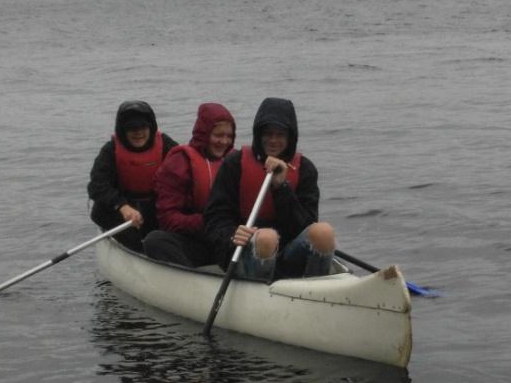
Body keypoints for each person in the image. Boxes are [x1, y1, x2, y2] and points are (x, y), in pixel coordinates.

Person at [204, 97, 336, 281]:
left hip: (288, 256)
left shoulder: (305, 169)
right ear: (258, 134)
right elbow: (214, 218)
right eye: (268, 134)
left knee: (324, 232)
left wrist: (281, 187)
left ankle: (318, 290)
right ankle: (261, 293)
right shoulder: (234, 164)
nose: (273, 140)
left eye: (280, 134)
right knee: (266, 238)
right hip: (244, 255)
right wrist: (231, 234)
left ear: (290, 137)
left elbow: (305, 226)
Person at [142, 103, 236, 269]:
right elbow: (168, 219)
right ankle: (191, 282)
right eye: (218, 135)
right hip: (195, 241)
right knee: (155, 241)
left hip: (228, 239)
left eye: (229, 136)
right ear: (204, 134)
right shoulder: (179, 162)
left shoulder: (235, 160)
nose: (224, 141)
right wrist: (209, 223)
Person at [87, 100, 178, 252]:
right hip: (121, 212)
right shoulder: (110, 151)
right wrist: (122, 206)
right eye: (132, 128)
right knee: (128, 235)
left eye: (143, 127)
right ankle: (138, 253)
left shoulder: (167, 146)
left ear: (151, 127)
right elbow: (96, 186)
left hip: (156, 208)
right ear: (122, 130)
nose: (138, 133)